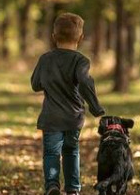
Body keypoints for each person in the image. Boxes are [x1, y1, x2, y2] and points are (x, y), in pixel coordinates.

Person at [31, 12, 106, 195]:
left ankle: (52, 186)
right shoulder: (81, 61)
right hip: (73, 117)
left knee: (51, 152)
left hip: (51, 117)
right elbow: (85, 82)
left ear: (54, 36)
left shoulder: (45, 59)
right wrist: (96, 108)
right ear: (80, 38)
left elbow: (35, 84)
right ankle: (72, 189)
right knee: (71, 151)